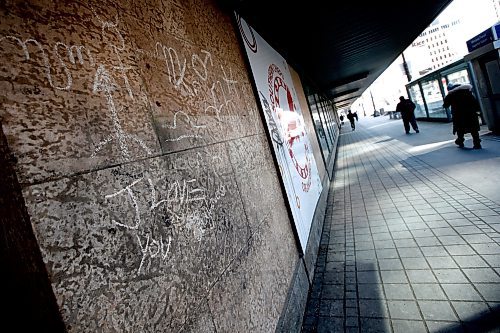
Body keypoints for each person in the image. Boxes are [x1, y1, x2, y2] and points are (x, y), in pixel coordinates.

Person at [443, 83, 481, 149]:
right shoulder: (467, 92)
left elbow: (445, 105)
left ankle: (460, 141)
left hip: (458, 115)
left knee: (460, 129)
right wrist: (477, 110)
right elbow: (475, 103)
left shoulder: (451, 95)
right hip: (471, 114)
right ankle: (477, 144)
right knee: (474, 130)